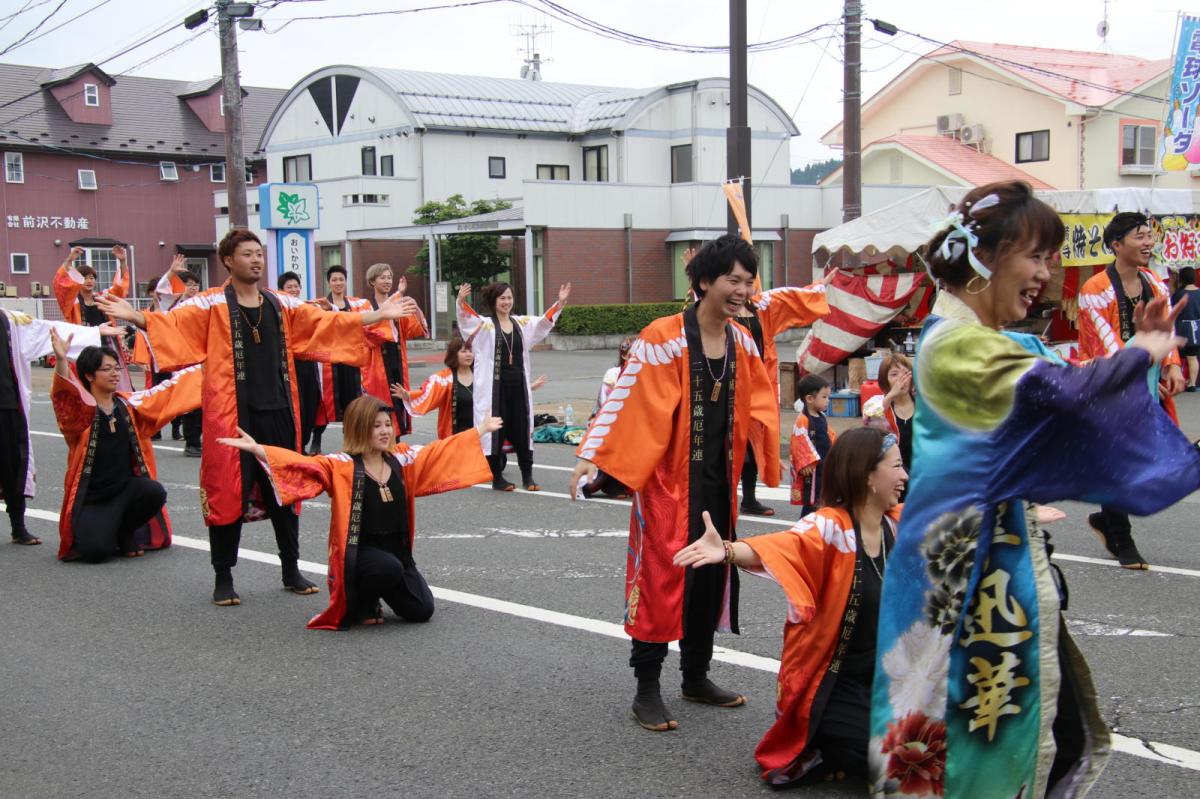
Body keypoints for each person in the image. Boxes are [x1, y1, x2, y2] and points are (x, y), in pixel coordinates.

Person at [868, 181, 1200, 799]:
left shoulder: (981, 339)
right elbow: (1063, 394)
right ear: (985, 260)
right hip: (967, 573)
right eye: (1038, 256)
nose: (1047, 274)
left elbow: (1065, 386)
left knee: (1023, 730)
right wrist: (1141, 353)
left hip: (988, 559)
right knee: (973, 741)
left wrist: (1139, 354)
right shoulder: (957, 343)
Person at [97, 229, 420, 606]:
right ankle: (223, 575)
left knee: (286, 490)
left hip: (281, 413)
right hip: (232, 417)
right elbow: (175, 325)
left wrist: (378, 314)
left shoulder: (280, 303)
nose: (256, 260)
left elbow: (322, 323)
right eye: (247, 254)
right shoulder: (211, 303)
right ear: (229, 261)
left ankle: (290, 568)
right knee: (227, 493)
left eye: (259, 254)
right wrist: (136, 316)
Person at [568, 234, 779, 732]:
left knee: (710, 575)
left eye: (748, 282)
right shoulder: (662, 337)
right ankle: (646, 689)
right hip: (667, 486)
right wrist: (591, 457)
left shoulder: (743, 341)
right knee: (661, 580)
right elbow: (626, 399)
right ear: (705, 281)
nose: (742, 290)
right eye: (733, 279)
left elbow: (762, 406)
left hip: (718, 482)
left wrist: (772, 459)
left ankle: (695, 675)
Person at [674, 428, 907, 786]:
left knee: (945, 743)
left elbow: (959, 525)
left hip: (887, 677)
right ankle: (820, 743)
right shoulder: (831, 527)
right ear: (867, 475)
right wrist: (728, 550)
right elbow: (787, 545)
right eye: (897, 466)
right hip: (832, 683)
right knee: (894, 763)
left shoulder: (899, 523)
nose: (905, 476)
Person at [217, 396, 499, 628]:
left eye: (387, 424)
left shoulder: (401, 458)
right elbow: (305, 465)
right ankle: (363, 600)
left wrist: (479, 431)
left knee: (421, 609)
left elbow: (439, 452)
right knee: (387, 568)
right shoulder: (342, 465)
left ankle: (382, 588)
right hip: (358, 554)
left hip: (397, 552)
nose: (385, 431)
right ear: (359, 428)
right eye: (376, 425)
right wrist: (260, 450)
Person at [1077, 212, 1187, 569]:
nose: (1147, 243)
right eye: (1139, 236)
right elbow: (1100, 342)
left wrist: (1171, 362)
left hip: (1148, 380)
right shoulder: (1094, 289)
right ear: (1116, 245)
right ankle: (1121, 536)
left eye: (1149, 236)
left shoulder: (1156, 283)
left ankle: (1107, 520)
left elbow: (1166, 328)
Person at [49, 330, 201, 562]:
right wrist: (61, 361)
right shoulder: (81, 415)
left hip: (125, 490)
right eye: (107, 369)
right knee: (95, 552)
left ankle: (125, 531)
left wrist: (210, 368)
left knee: (154, 492)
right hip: (94, 498)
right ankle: (106, 532)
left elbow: (170, 395)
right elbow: (64, 399)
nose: (114, 374)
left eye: (116, 368)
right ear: (89, 375)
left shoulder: (129, 406)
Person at [0, 309, 112, 545]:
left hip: (6, 404)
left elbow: (43, 330)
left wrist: (93, 333)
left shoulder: (9, 319)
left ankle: (18, 527)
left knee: (14, 464)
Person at [732, 269, 831, 516]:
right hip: (733, 384)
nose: (747, 288)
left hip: (759, 383)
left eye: (749, 282)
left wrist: (819, 287)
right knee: (732, 444)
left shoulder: (761, 307)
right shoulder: (724, 309)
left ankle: (750, 498)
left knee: (757, 438)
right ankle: (725, 497)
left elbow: (791, 298)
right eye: (738, 281)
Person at [459, 279, 570, 492]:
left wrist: (560, 303)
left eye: (509, 298)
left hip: (518, 386)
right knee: (495, 430)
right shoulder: (485, 325)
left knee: (522, 428)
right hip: (494, 388)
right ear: (493, 301)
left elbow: (543, 323)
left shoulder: (521, 323)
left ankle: (527, 476)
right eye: (502, 298)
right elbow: (466, 322)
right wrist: (461, 302)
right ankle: (497, 477)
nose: (507, 302)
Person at [395, 336, 547, 441]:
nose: (468, 355)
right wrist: (407, 395)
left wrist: (529, 387)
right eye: (463, 351)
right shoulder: (443, 379)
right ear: (454, 354)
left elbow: (503, 389)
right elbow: (426, 394)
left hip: (480, 434)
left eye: (470, 351)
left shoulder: (483, 375)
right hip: (455, 434)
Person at [360, 262, 428, 439]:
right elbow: (368, 333)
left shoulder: (399, 303)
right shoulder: (366, 306)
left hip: (397, 356)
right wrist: (398, 295)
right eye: (382, 277)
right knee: (379, 402)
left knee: (398, 400)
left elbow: (411, 330)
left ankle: (394, 440)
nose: (387, 281)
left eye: (389, 277)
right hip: (377, 362)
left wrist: (413, 308)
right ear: (372, 281)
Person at [53, 244, 134, 392]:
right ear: (77, 280)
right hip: (84, 345)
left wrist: (122, 262)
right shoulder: (73, 302)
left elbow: (120, 288)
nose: (89, 281)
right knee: (86, 382)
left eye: (92, 277)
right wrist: (70, 260)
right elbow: (60, 285)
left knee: (111, 379)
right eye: (84, 277)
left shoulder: (103, 297)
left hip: (107, 344)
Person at [309, 265, 368, 454]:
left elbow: (359, 320)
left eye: (341, 279)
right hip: (329, 361)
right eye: (334, 279)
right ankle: (316, 439)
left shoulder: (355, 304)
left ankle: (350, 442)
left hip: (350, 359)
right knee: (325, 402)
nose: (338, 283)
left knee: (351, 400)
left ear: (346, 281)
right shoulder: (321, 305)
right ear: (328, 282)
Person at [580, 337, 635, 500]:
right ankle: (606, 484)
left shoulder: (642, 373)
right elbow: (604, 401)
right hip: (607, 420)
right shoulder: (613, 373)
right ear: (624, 355)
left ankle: (619, 482)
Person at [278, 271, 323, 455]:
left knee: (311, 403)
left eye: (296, 286)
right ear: (281, 290)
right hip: (288, 365)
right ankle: (295, 445)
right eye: (290, 287)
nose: (294, 289)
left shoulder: (308, 308)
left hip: (308, 363)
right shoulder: (277, 310)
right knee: (296, 406)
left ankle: (303, 442)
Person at [790, 373, 835, 515]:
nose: (828, 400)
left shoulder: (821, 417)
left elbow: (831, 437)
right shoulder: (802, 420)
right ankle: (804, 530)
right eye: (824, 397)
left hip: (824, 465)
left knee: (822, 499)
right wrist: (805, 462)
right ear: (809, 398)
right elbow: (798, 442)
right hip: (813, 470)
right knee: (812, 502)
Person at [877, 351, 915, 473]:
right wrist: (892, 394)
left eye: (905, 373)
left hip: (922, 471)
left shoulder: (923, 403)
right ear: (885, 380)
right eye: (894, 374)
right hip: (893, 472)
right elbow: (869, 419)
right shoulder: (880, 403)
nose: (901, 378)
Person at [1171, 265, 1200, 390]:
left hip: (1183, 328)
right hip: (1197, 327)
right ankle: (1192, 383)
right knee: (1192, 356)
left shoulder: (1179, 294)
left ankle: (1184, 382)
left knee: (1179, 356)